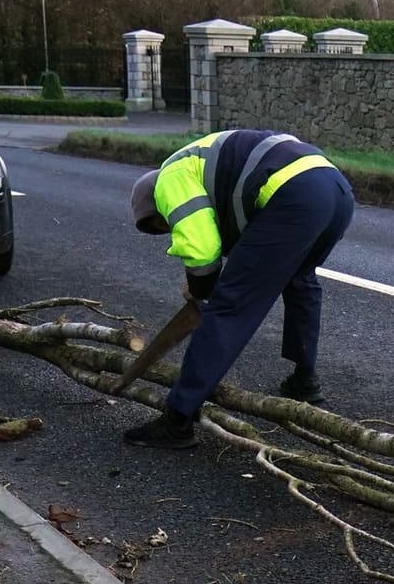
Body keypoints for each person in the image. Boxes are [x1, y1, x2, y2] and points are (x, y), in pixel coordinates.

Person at [124, 129, 355, 449]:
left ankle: (178, 419)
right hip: (336, 188)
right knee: (300, 281)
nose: (168, 228)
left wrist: (200, 288)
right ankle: (304, 382)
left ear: (155, 205)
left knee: (230, 306)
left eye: (162, 224)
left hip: (294, 193)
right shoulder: (204, 168)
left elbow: (202, 249)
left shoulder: (169, 179)